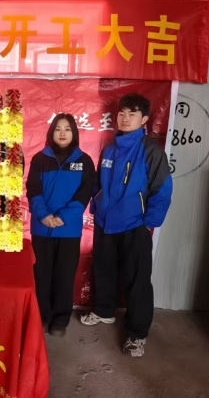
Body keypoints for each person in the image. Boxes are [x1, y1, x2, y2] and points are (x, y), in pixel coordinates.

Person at [81, 93, 173, 358]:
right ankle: (104, 310)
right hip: (106, 222)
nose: (125, 118)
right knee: (104, 269)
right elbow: (98, 184)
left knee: (137, 280)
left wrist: (149, 223)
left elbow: (163, 189)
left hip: (135, 224)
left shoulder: (151, 150)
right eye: (122, 113)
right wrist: (97, 208)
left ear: (144, 119)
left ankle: (137, 334)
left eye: (132, 114)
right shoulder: (110, 149)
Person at [26, 113, 96, 337]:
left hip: (68, 229)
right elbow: (33, 189)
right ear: (51, 132)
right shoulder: (40, 159)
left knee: (64, 276)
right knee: (42, 275)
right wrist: (43, 215)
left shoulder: (84, 161)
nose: (62, 133)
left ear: (74, 132)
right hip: (42, 228)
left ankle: (60, 321)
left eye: (67, 129)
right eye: (58, 129)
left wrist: (65, 216)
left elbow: (85, 192)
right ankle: (41, 317)